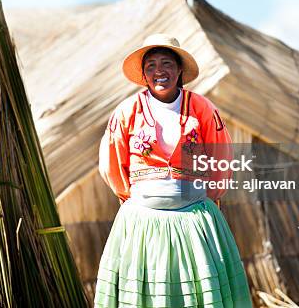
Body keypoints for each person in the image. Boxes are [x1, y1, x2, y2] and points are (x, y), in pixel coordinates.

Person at [94, 34, 253, 307]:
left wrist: (211, 196)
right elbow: (112, 159)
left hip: (194, 220)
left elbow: (220, 155)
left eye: (167, 63)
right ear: (144, 74)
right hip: (143, 222)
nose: (159, 72)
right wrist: (131, 198)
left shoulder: (202, 109)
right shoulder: (127, 112)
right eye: (151, 65)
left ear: (180, 70)